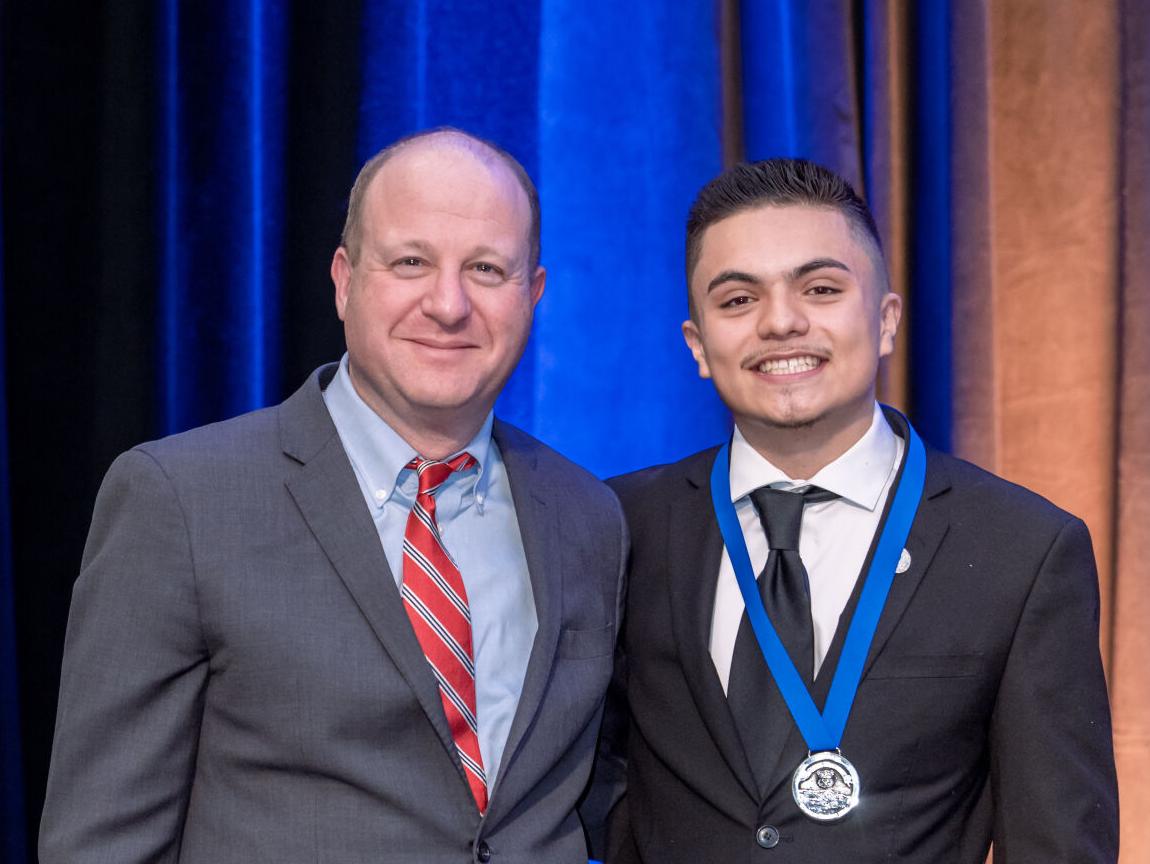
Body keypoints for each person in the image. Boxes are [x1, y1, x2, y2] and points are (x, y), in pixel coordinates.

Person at [39, 128, 626, 864]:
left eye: (485, 268)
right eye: (411, 262)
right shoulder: (181, 501)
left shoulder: (587, 516)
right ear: (345, 281)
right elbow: (101, 844)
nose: (448, 304)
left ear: (532, 295)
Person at [597, 158, 1118, 862]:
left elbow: (1058, 843)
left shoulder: (1021, 550)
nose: (781, 322)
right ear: (698, 345)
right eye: (739, 300)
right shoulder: (620, 525)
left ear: (885, 319)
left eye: (820, 289)